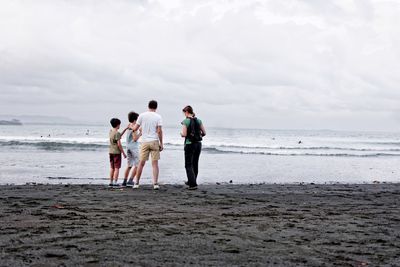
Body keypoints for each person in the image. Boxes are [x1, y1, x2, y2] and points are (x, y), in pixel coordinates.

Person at [131, 100, 163, 190]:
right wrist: (161, 143)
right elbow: (159, 131)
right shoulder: (158, 117)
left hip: (144, 142)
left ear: (148, 106)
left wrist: (131, 128)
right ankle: (155, 184)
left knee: (141, 163)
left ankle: (136, 183)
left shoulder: (142, 115)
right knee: (155, 164)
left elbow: (135, 128)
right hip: (154, 141)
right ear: (156, 107)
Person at [181, 105, 206, 190]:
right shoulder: (198, 120)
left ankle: (192, 184)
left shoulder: (185, 121)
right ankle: (192, 181)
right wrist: (197, 136)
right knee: (195, 163)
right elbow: (204, 133)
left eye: (184, 113)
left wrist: (181, 134)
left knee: (188, 164)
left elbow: (184, 134)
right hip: (198, 144)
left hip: (189, 144)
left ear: (186, 112)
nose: (184, 114)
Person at [120, 112, 141, 187]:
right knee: (138, 165)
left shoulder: (129, 126)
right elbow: (135, 139)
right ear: (135, 120)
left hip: (128, 147)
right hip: (134, 148)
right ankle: (130, 180)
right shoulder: (134, 128)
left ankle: (124, 182)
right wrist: (140, 133)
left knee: (129, 165)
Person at [109, 118, 127, 187]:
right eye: (119, 124)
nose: (120, 126)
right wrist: (123, 153)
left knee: (112, 168)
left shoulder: (111, 131)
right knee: (117, 168)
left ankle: (111, 182)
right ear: (117, 125)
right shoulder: (117, 133)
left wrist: (125, 129)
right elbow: (119, 144)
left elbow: (118, 136)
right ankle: (115, 182)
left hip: (110, 152)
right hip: (116, 153)